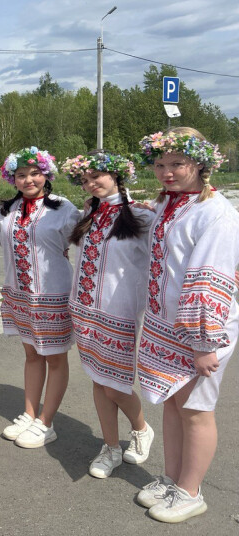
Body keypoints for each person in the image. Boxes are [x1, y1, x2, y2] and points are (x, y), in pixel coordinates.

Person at [133, 128, 238, 523]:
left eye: (177, 163)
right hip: (168, 324)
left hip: (201, 330)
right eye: (160, 163)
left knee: (196, 409)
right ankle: (172, 478)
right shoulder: (169, 204)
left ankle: (191, 491)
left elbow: (208, 277)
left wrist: (204, 343)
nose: (167, 172)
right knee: (173, 403)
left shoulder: (215, 212)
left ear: (200, 163)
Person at [61, 151, 154, 479]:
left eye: (96, 176)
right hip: (85, 308)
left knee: (115, 384)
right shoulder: (90, 211)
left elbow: (167, 254)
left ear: (116, 174)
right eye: (84, 180)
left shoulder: (141, 215)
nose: (90, 183)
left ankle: (141, 429)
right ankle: (111, 446)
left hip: (119, 311)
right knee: (99, 381)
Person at [0, 147, 80, 448]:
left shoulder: (63, 207)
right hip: (20, 294)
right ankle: (30, 414)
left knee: (55, 357)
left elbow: (88, 239)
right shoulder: (7, 210)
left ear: (46, 174)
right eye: (21, 175)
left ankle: (46, 421)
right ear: (13, 179)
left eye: (35, 173)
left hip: (52, 294)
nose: (29, 180)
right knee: (31, 355)